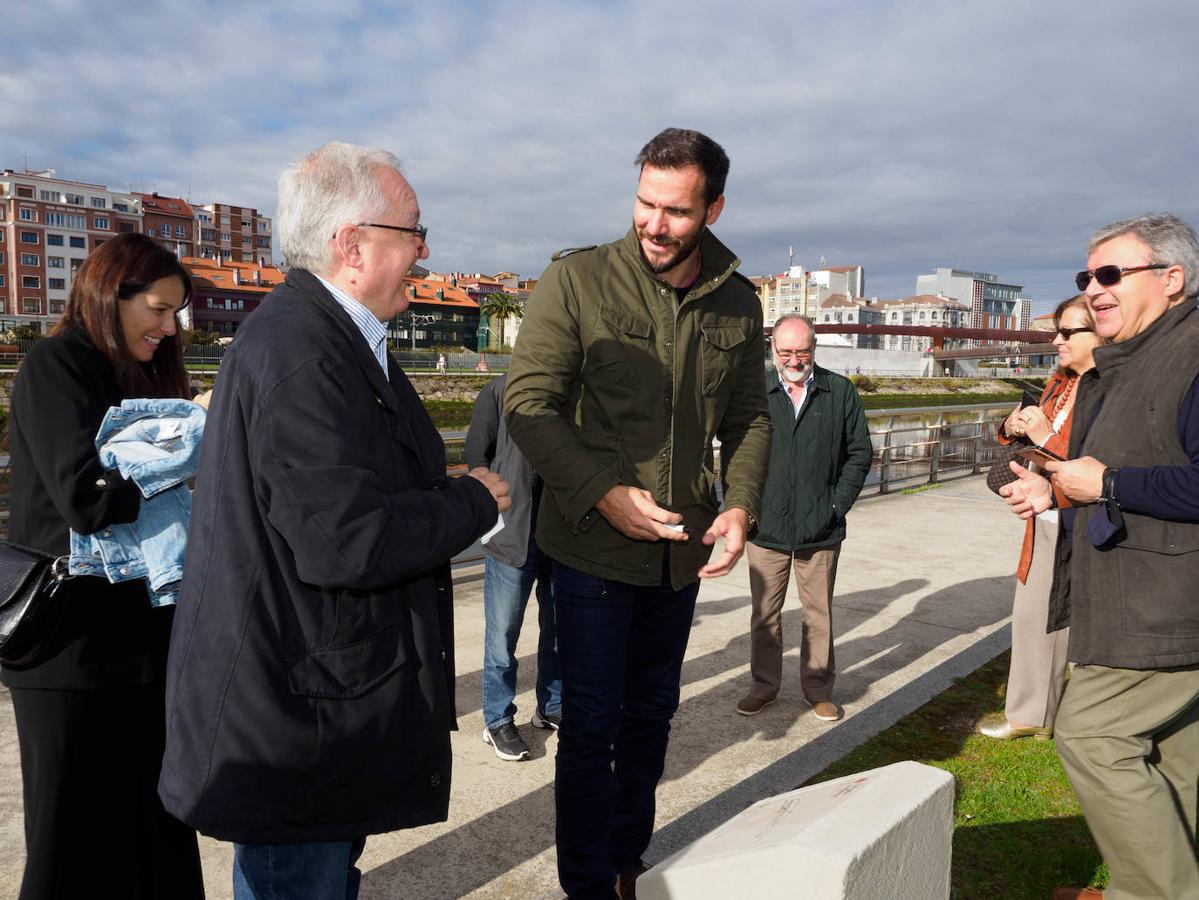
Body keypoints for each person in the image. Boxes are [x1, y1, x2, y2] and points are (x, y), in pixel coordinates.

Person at [157, 142, 510, 900]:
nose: (424, 251)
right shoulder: (302, 353)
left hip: (319, 701)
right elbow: (345, 541)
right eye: (412, 231)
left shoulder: (329, 339)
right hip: (295, 721)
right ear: (352, 245)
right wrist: (473, 501)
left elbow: (356, 491)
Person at [504, 127, 771, 899]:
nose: (654, 225)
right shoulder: (577, 280)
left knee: (652, 718)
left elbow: (750, 418)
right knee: (590, 728)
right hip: (589, 549)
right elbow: (528, 404)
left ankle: (628, 866)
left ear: (712, 208)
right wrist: (602, 491)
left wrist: (741, 503)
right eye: (645, 204)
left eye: (676, 212)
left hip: (679, 555)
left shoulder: (738, 300)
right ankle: (584, 886)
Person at [1001, 213, 1199, 900]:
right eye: (1086, 277)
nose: (1092, 290)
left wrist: (1107, 483)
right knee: (1176, 759)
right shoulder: (1133, 360)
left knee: (1087, 735)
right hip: (1139, 599)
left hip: (1161, 609)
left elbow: (1138, 475)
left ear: (1170, 279)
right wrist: (1057, 489)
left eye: (1110, 274)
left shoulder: (1190, 354)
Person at [2, 233, 204, 899]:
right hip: (71, 653)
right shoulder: (54, 365)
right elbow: (87, 499)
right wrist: (192, 436)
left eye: (177, 313)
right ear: (106, 295)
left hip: (147, 649)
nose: (170, 327)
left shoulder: (139, 378)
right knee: (70, 852)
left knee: (162, 840)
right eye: (157, 308)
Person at [978, 295, 1103, 741]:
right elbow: (1021, 435)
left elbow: (1095, 462)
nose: (1058, 340)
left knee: (1066, 618)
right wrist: (1013, 425)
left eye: (1069, 332)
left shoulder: (1107, 389)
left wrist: (1042, 433)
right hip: (1044, 512)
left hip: (1081, 517)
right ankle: (1031, 714)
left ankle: (1048, 716)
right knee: (1033, 612)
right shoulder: (1060, 381)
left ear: (1100, 334)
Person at [736, 314, 872, 721]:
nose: (794, 359)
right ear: (772, 349)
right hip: (766, 529)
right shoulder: (755, 392)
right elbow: (737, 451)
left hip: (822, 529)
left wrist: (836, 505)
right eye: (786, 351)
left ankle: (818, 690)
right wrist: (745, 508)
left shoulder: (839, 391)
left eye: (803, 351)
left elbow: (859, 453)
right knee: (764, 615)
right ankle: (764, 687)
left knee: (819, 615)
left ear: (814, 349)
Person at [466, 372, 561, 761]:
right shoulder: (500, 388)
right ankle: (497, 719)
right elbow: (476, 454)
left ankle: (551, 705)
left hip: (560, 535)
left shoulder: (571, 388)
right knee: (503, 636)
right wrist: (493, 516)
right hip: (511, 535)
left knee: (559, 630)